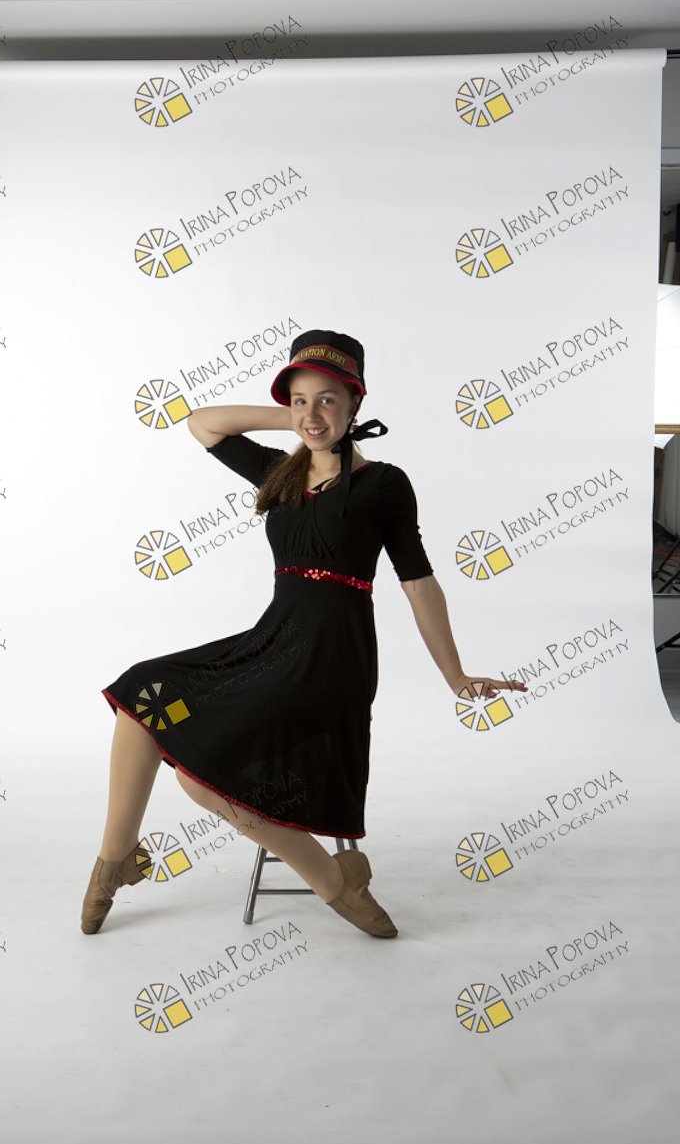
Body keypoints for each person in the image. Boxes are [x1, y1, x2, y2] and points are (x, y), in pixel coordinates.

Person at [83, 329, 527, 938]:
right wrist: (297, 420)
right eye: (300, 399)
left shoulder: (384, 484)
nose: (312, 412)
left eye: (328, 400)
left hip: (332, 661)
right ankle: (115, 859)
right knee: (143, 693)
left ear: (356, 404)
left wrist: (456, 675)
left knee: (194, 776)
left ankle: (333, 882)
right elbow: (201, 423)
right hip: (271, 643)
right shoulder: (281, 472)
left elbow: (420, 583)